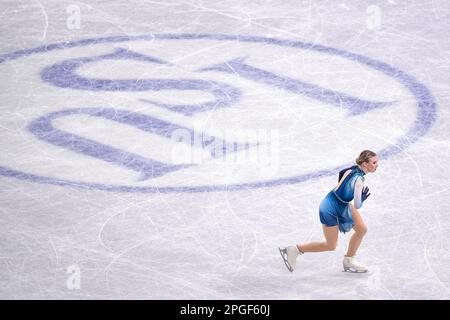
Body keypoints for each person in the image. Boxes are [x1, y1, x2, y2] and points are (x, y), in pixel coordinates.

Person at [279, 150, 379, 273]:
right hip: (329, 209)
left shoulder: (351, 169)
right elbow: (358, 205)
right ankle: (294, 249)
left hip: (339, 202)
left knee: (361, 229)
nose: (376, 165)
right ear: (365, 164)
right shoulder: (359, 180)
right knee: (331, 245)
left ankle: (349, 261)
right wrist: (362, 199)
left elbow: (341, 174)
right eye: (374, 162)